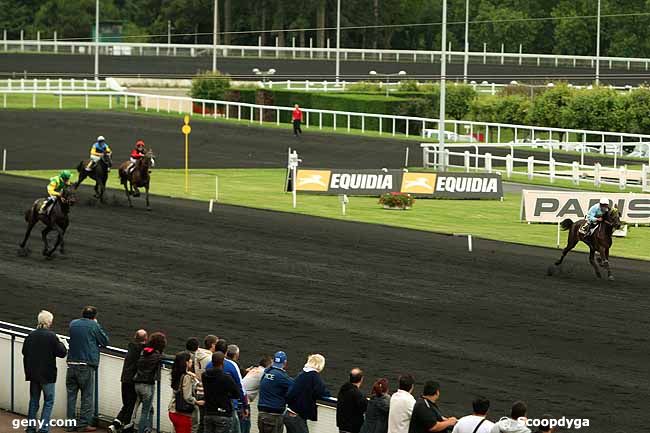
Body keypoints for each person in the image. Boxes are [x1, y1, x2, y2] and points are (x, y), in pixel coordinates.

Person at [22, 310, 68, 433]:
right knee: (48, 401)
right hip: (47, 375)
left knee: (33, 401)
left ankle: (31, 428)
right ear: (49, 322)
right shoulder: (52, 336)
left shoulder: (31, 335)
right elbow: (62, 353)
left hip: (33, 374)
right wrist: (63, 343)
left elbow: (24, 352)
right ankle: (43, 428)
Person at [66, 306, 109, 432]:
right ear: (94, 317)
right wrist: (96, 324)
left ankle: (70, 424)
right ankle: (83, 425)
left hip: (72, 363)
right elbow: (105, 341)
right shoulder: (93, 325)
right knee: (87, 397)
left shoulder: (73, 323)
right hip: (86, 365)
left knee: (71, 397)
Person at [109, 329, 148, 433]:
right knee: (130, 405)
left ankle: (115, 424)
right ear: (146, 339)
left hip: (124, 379)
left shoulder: (131, 347)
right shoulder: (143, 350)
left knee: (126, 404)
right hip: (132, 382)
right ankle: (126, 427)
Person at [205, 341, 248, 433]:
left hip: (209, 408)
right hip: (227, 408)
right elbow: (240, 388)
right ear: (226, 352)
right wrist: (245, 405)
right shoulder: (231, 367)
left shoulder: (208, 367)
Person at [284, 354, 331, 433]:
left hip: (289, 413)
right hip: (297, 416)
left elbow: (290, 393)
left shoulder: (301, 375)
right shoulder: (314, 376)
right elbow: (322, 392)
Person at [133, 332, 167, 433]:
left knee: (149, 408)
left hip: (137, 384)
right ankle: (142, 430)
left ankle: (148, 429)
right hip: (147, 386)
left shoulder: (144, 352)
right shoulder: (157, 356)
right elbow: (170, 358)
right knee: (145, 412)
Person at [202, 352, 241, 433]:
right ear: (223, 362)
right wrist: (227, 395)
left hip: (208, 411)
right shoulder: (226, 377)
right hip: (223, 413)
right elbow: (237, 394)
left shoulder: (204, 376)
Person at [258, 351, 294, 433]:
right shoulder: (281, 376)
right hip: (273, 416)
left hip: (262, 414)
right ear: (285, 363)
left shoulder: (266, 372)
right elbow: (295, 386)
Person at [169, 352, 204, 433]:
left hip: (173, 410)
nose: (191, 361)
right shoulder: (187, 377)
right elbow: (187, 396)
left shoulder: (177, 374)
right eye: (190, 359)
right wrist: (197, 402)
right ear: (186, 362)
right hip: (183, 414)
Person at [196, 335, 219, 433]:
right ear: (213, 345)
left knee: (202, 422)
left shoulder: (198, 354)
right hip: (206, 392)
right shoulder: (210, 359)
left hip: (198, 389)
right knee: (205, 424)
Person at [337, 368, 368, 433]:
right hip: (353, 428)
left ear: (349, 377)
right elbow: (365, 407)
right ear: (361, 379)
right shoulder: (358, 394)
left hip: (342, 426)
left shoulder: (343, 389)